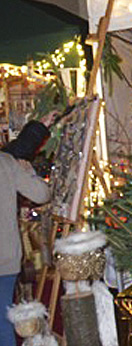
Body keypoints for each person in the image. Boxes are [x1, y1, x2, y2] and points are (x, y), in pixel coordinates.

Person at [1, 121, 52, 346]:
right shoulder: (6, 164)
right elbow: (41, 194)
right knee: (4, 323)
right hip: (5, 257)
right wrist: (30, 173)